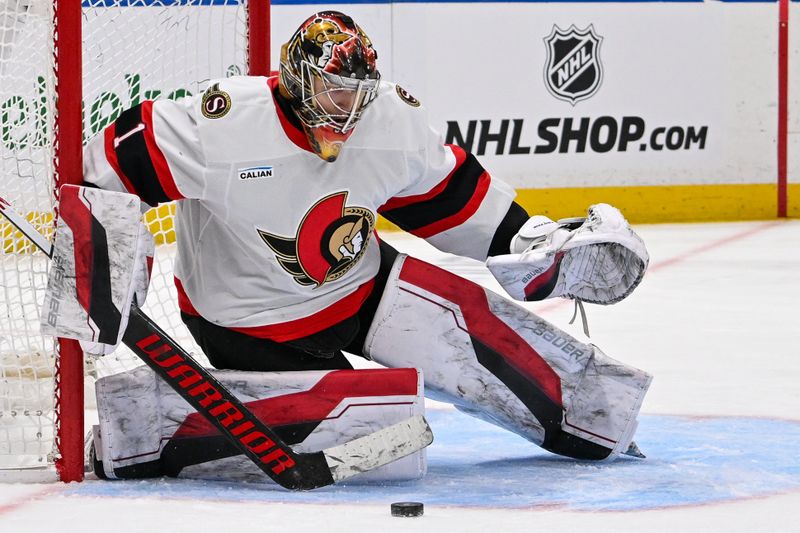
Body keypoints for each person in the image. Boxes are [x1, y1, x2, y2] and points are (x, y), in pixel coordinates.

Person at [79, 11, 652, 475]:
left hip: (361, 284)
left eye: (359, 95)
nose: (349, 111)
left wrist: (530, 238)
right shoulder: (222, 126)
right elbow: (107, 168)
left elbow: (450, 198)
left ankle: (600, 422)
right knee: (387, 431)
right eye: (334, 94)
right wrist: (110, 268)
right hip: (246, 321)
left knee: (478, 326)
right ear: (299, 80)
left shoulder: (387, 122)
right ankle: (139, 429)